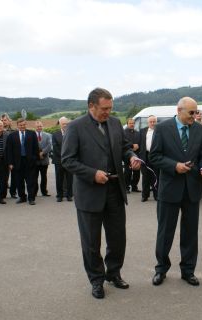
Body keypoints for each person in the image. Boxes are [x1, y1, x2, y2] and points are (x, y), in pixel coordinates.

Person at [61, 88, 141, 299]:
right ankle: (96, 280)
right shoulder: (76, 127)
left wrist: (131, 156)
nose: (108, 112)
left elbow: (124, 147)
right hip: (90, 194)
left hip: (115, 189)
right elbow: (67, 160)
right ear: (91, 106)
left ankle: (113, 273)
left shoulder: (115, 123)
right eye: (104, 109)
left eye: (110, 108)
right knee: (91, 242)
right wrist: (92, 174)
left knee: (117, 239)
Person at [149, 97, 202, 287]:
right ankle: (161, 269)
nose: (195, 116)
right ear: (179, 110)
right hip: (169, 189)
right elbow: (154, 157)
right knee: (165, 232)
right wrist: (174, 166)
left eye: (196, 112)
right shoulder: (162, 128)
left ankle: (188, 270)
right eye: (191, 113)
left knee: (190, 233)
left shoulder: (200, 129)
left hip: (192, 189)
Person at [6, 118, 39, 205]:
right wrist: (10, 163)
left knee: (30, 181)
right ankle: (22, 197)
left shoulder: (32, 134)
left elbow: (36, 148)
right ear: (17, 125)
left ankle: (31, 198)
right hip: (17, 162)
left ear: (26, 124)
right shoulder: (12, 136)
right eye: (20, 125)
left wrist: (35, 159)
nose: (22, 126)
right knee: (19, 181)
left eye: (24, 125)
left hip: (30, 162)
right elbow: (9, 151)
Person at [52, 117, 73, 202]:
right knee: (59, 178)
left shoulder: (72, 133)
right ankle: (59, 195)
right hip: (58, 160)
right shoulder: (55, 134)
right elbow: (55, 147)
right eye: (63, 124)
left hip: (70, 161)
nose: (65, 125)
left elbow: (73, 146)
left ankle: (69, 195)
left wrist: (69, 157)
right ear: (60, 124)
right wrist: (64, 156)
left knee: (69, 178)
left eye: (66, 124)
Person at [139, 115, 159, 202]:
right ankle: (145, 195)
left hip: (155, 156)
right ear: (148, 123)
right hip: (145, 156)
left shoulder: (159, 131)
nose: (152, 123)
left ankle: (157, 195)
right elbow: (140, 144)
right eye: (151, 122)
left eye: (154, 121)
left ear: (156, 122)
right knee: (145, 177)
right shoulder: (142, 131)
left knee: (156, 176)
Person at [1, 113, 17, 198]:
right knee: (4, 177)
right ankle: (3, 194)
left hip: (13, 157)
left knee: (14, 176)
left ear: (9, 121)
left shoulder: (14, 131)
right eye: (2, 120)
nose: (3, 122)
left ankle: (13, 193)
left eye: (5, 120)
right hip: (3, 157)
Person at [34, 121, 52, 197]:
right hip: (35, 160)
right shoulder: (32, 135)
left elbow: (49, 145)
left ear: (42, 126)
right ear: (35, 127)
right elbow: (31, 146)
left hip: (44, 160)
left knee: (44, 177)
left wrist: (42, 153)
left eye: (40, 126)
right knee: (34, 177)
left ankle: (44, 191)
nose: (39, 128)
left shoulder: (47, 135)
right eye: (38, 126)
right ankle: (34, 192)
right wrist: (38, 154)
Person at [123, 118, 141, 193]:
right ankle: (126, 187)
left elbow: (140, 142)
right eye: (130, 123)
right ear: (127, 124)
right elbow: (123, 143)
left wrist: (138, 145)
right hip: (127, 155)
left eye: (133, 123)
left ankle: (134, 186)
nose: (132, 124)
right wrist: (132, 146)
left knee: (137, 172)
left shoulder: (137, 133)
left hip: (137, 154)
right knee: (128, 172)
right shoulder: (123, 133)